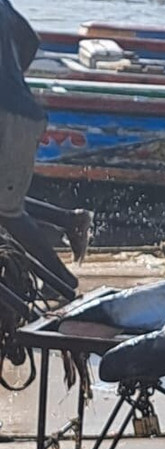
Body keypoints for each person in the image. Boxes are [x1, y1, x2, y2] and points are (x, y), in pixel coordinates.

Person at [0, 0, 91, 302]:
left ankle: (62, 280)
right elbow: (30, 40)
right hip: (18, 108)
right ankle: (68, 219)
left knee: (6, 209)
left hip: (9, 115)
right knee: (4, 198)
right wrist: (13, 79)